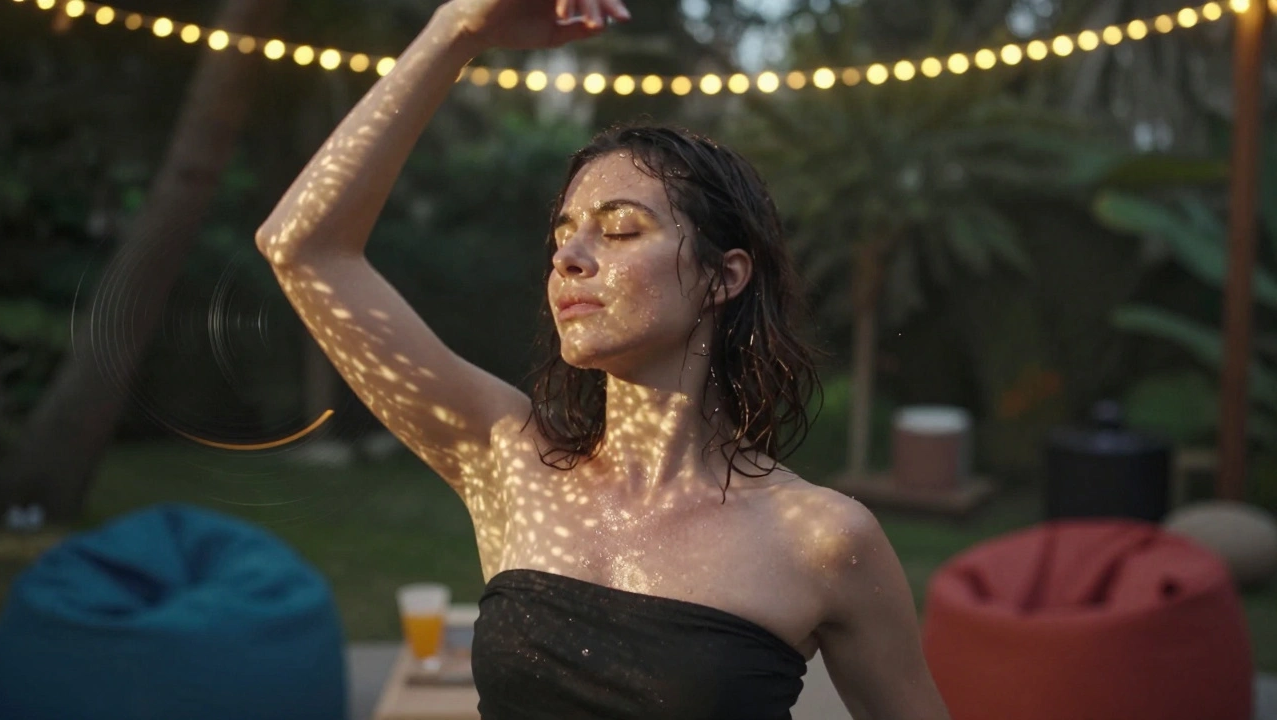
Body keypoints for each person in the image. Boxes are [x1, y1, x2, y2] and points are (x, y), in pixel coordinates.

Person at [256, 1, 950, 718]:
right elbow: (301, 248)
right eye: (563, 235)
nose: (569, 257)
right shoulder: (506, 463)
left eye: (620, 229)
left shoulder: (822, 539)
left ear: (724, 276)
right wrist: (457, 28)